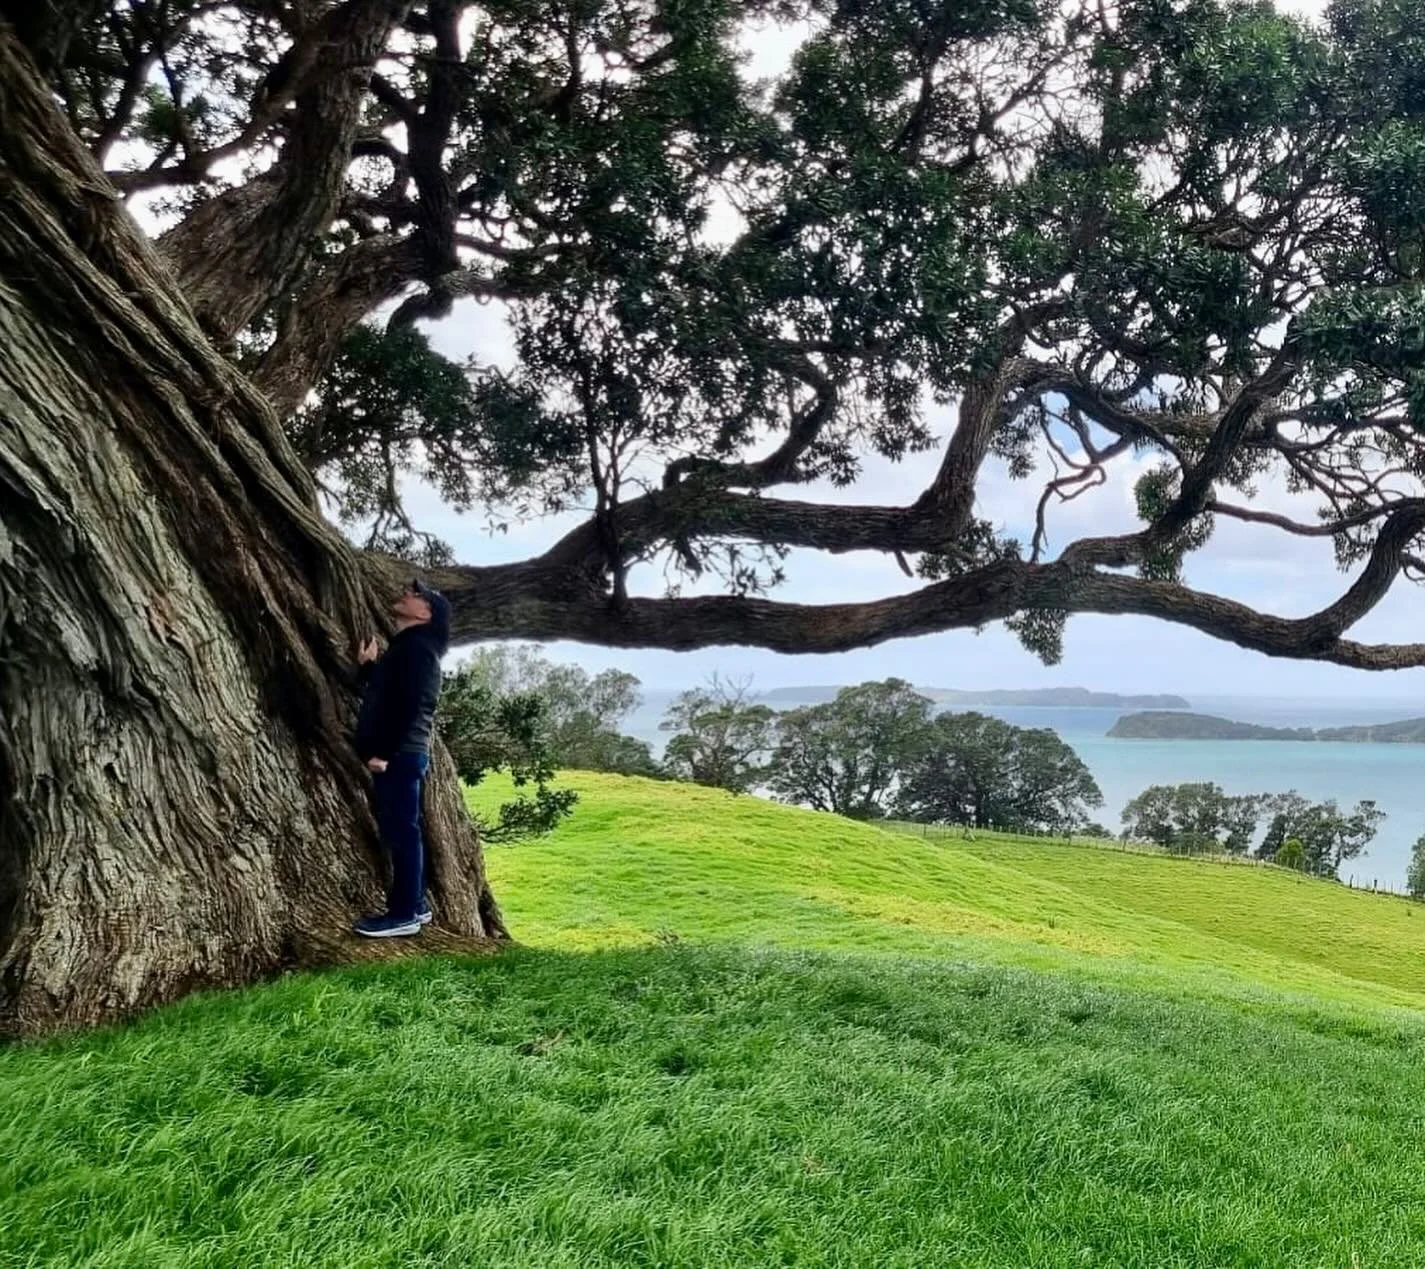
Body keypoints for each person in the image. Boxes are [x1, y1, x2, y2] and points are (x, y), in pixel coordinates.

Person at [352, 579, 451, 937]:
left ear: (425, 613)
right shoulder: (408, 647)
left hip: (400, 755)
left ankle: (403, 914)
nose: (406, 594)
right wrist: (368, 669)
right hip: (401, 754)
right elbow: (390, 694)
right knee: (404, 831)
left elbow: (413, 704)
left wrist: (384, 752)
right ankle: (417, 906)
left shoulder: (419, 649)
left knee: (402, 834)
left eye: (416, 595)